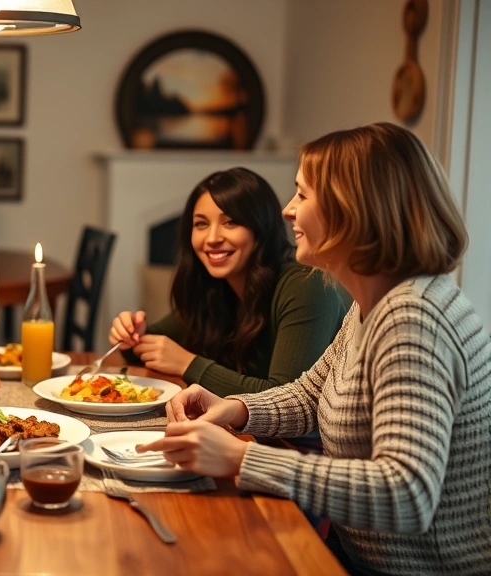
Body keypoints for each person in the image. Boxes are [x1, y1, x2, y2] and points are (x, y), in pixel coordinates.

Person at [145, 123, 491, 575]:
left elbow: (406, 495)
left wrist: (241, 457)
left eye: (302, 195)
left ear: (354, 209)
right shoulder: (375, 301)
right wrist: (233, 408)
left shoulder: (413, 318)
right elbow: (311, 394)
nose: (288, 211)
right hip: (362, 556)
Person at [109, 167, 346, 397]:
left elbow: (286, 401)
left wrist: (189, 364)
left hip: (300, 438)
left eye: (230, 222)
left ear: (260, 227)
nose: (212, 238)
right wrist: (130, 334)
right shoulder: (216, 286)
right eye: (201, 224)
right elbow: (151, 349)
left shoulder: (306, 285)